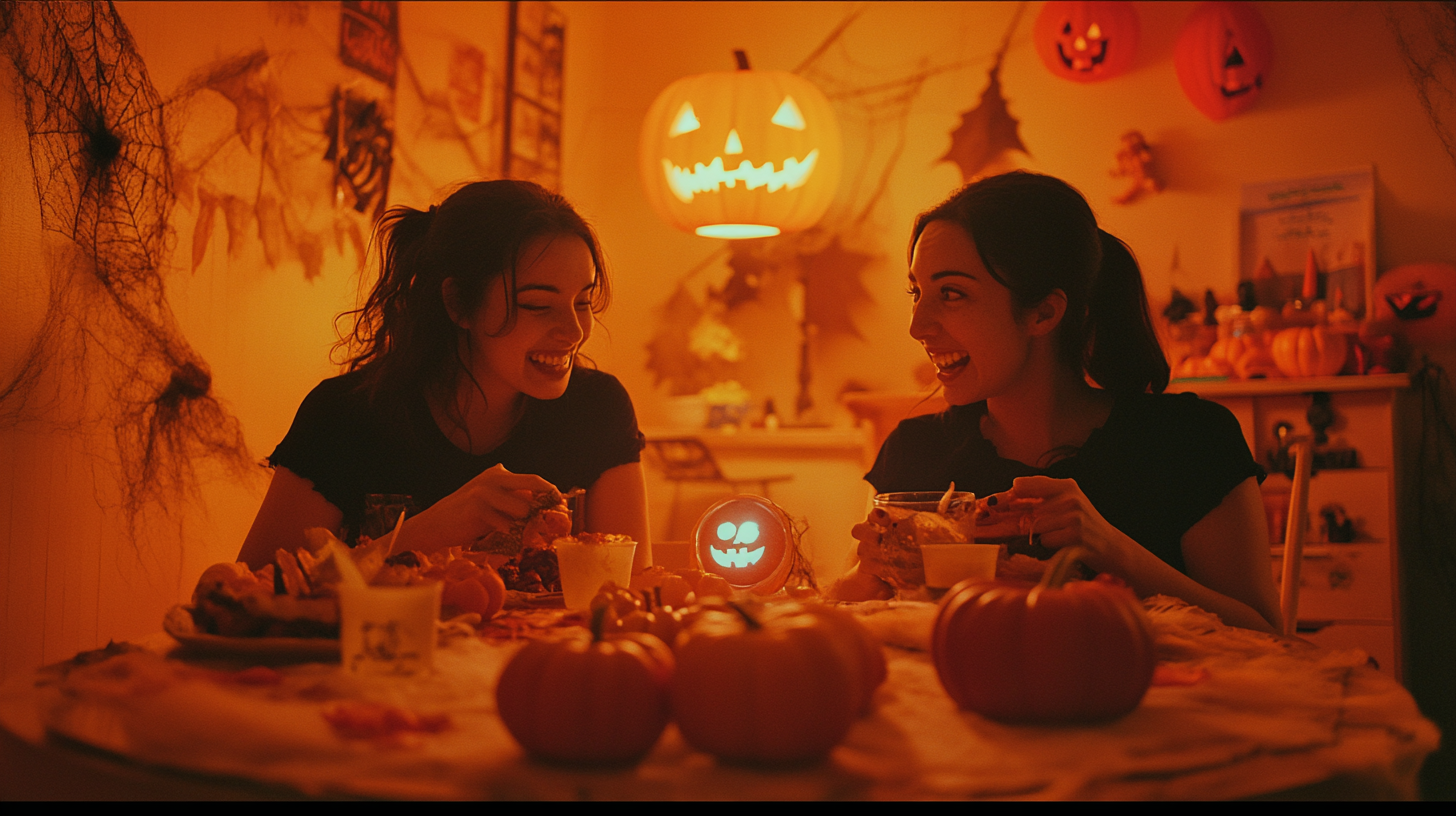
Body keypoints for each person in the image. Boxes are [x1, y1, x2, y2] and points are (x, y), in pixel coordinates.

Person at [834, 172, 1281, 633]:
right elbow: (841, 612)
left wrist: (1109, 548)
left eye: (952, 294)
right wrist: (868, 574)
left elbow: (1268, 636)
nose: (917, 326)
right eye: (916, 292)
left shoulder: (1189, 440)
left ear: (1044, 312)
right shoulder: (913, 453)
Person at [238, 180, 650, 572]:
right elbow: (247, 596)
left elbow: (630, 596)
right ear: (458, 303)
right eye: (538, 305)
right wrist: (426, 532)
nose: (575, 332)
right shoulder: (346, 417)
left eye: (583, 301)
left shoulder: (598, 410)